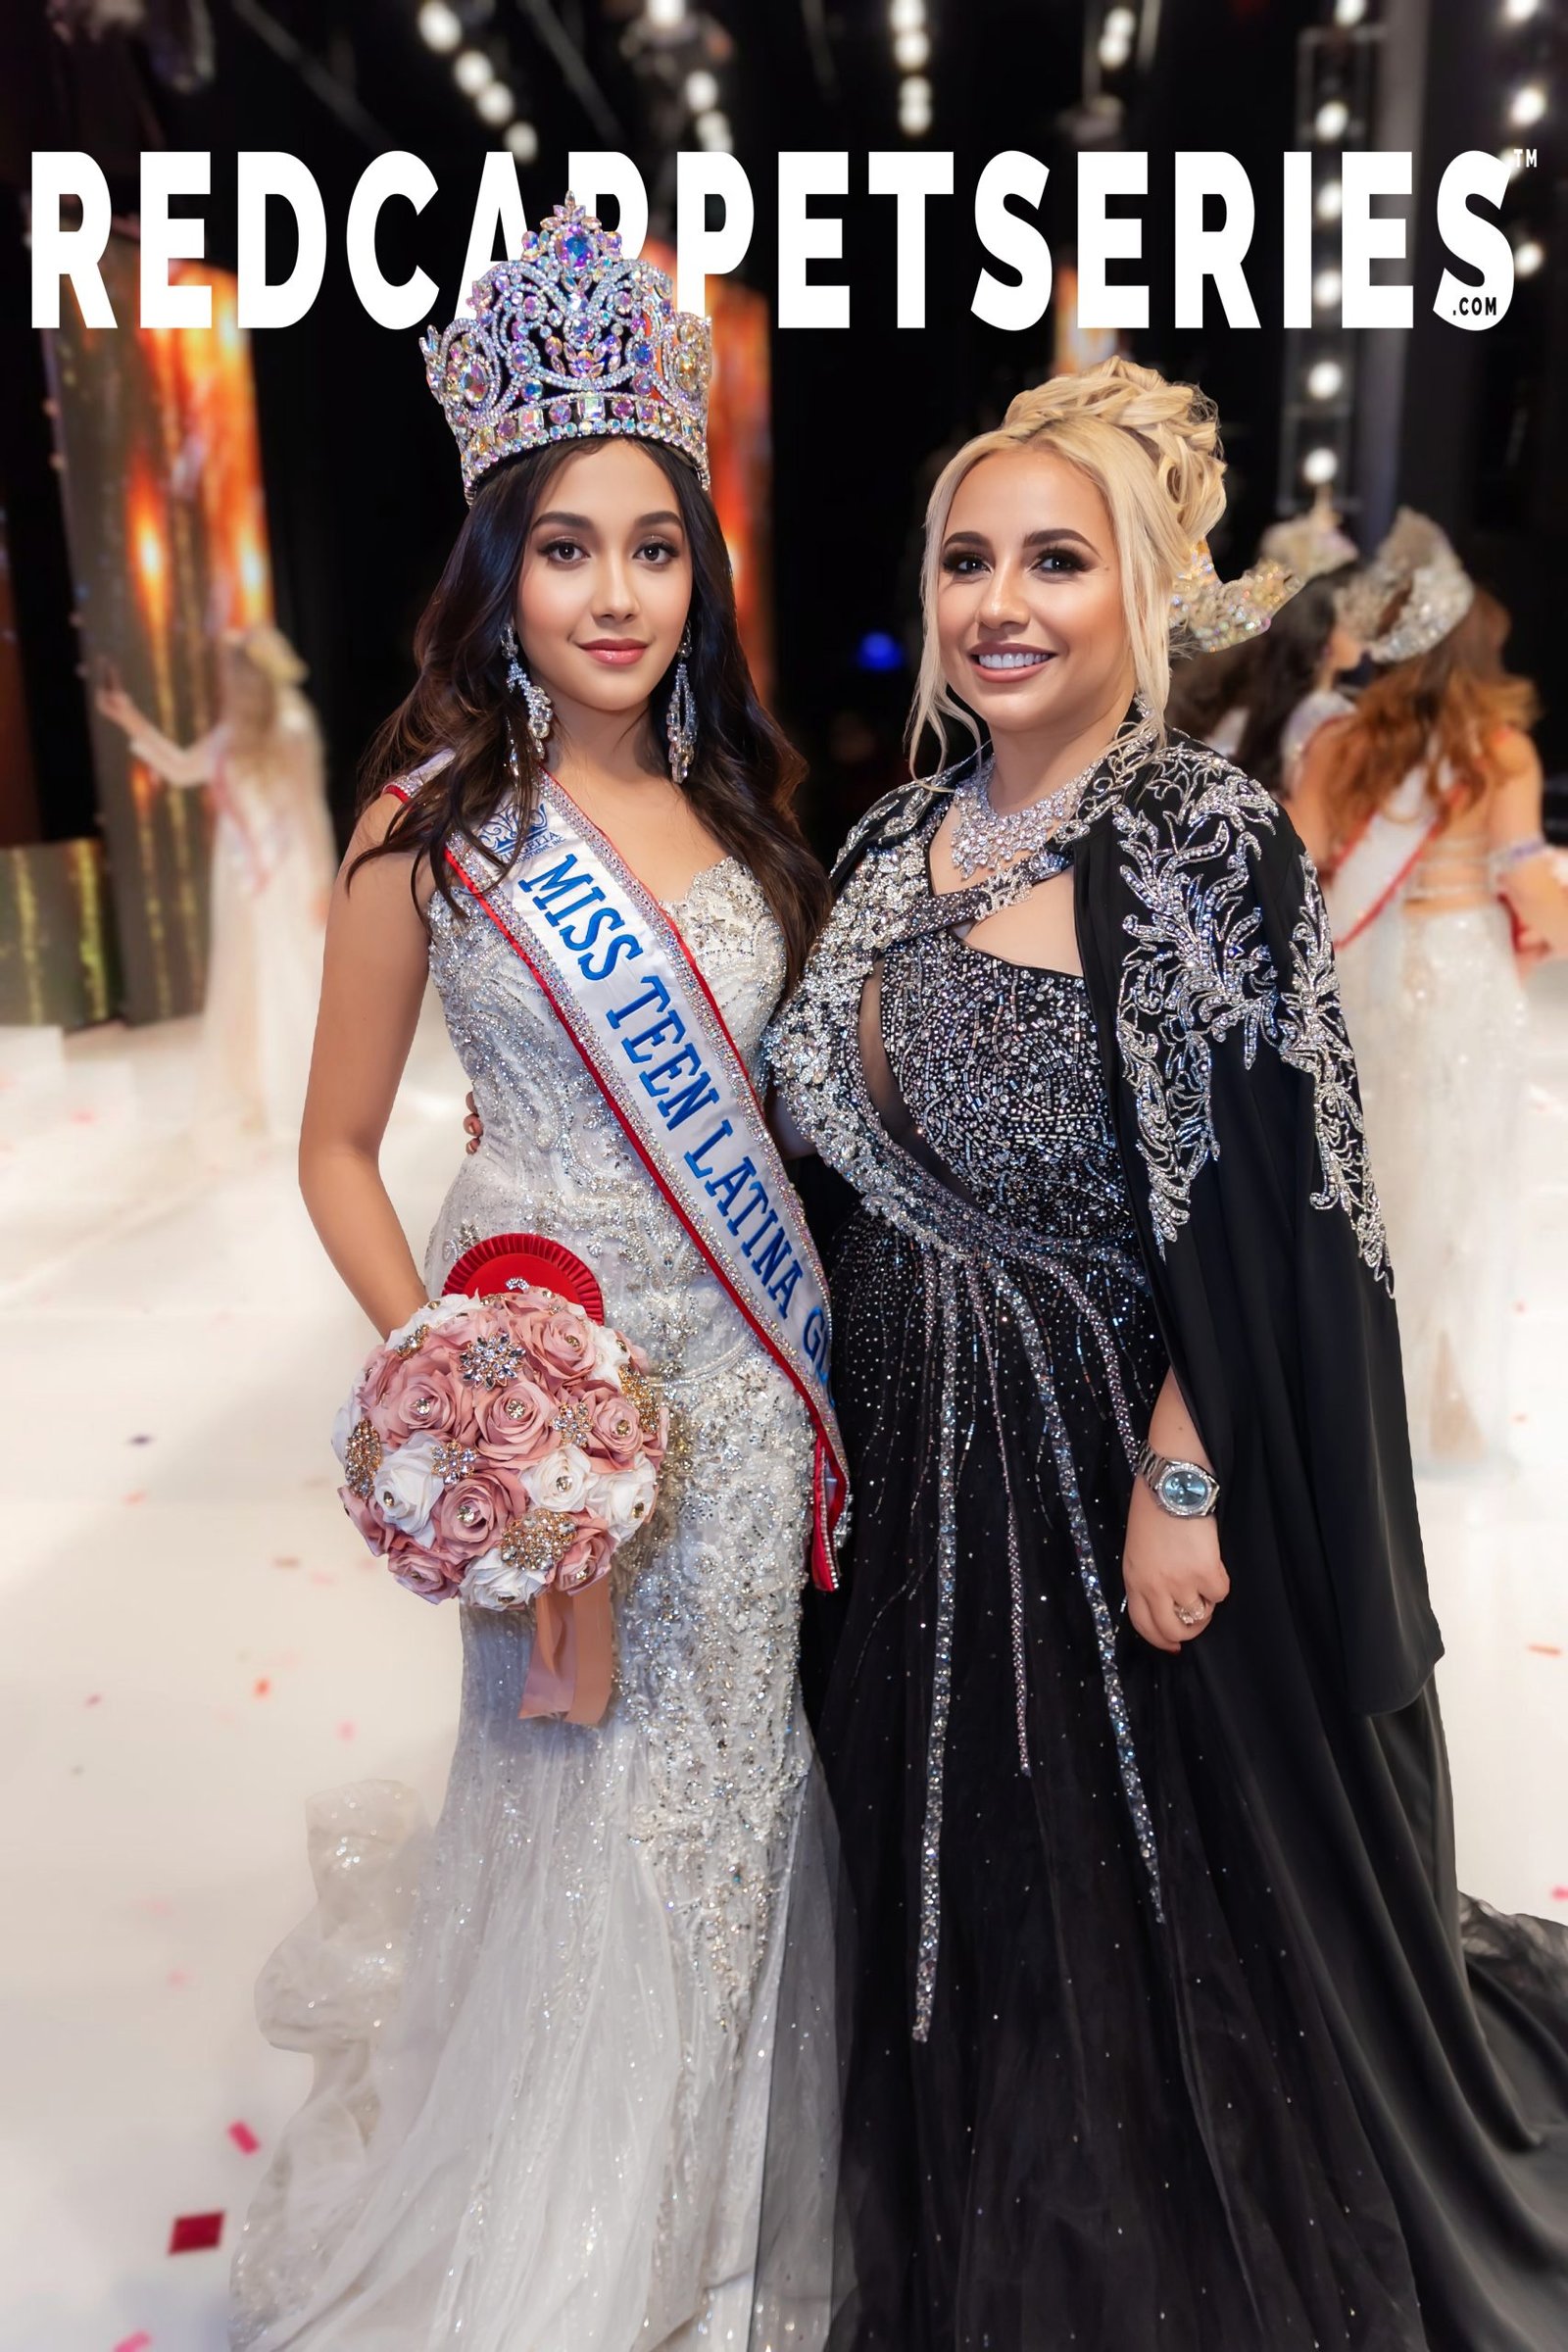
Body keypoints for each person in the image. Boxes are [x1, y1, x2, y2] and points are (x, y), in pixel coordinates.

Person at [766, 359, 1568, 2349]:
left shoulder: (1198, 834)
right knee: (951, 1896)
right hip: (908, 1461)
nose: (1000, 603)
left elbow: (1280, 1196)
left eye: (1055, 561)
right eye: (967, 561)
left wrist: (1184, 1472)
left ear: (1138, 593)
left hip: (1094, 1466)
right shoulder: (891, 838)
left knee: (1123, 1915)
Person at [229, 203, 841, 2352]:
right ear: (502, 568)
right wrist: (457, 1378)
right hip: (555, 1411)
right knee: (570, 1799)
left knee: (732, 1799)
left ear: (698, 570)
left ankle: (711, 2204)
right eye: (567, 547)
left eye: (654, 548)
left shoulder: (749, 814)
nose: (615, 592)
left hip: (741, 1402)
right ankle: (563, 2230)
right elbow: (334, 1143)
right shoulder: (430, 834)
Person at [1292, 514, 1568, 1467]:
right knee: (1457, 1191)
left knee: (1369, 1187)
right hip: (1459, 982)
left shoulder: (1336, 745)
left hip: (1362, 982)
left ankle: (1352, 1392)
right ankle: (1441, 1400)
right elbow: (1526, 881)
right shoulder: (1499, 752)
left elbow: (1300, 876)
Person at [97, 623, 336, 1143]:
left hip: (285, 871)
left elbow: (308, 809)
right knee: (246, 977)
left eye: (231, 673)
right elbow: (183, 769)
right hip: (238, 874)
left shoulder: (291, 727)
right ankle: (260, 1088)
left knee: (290, 974)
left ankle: (306, 1092)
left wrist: (323, 880)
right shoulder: (232, 735)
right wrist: (130, 718)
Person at [1166, 490, 1363, 796]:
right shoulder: (1324, 719)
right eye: (1352, 607)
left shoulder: (1226, 690)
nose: (1364, 622)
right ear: (1318, 619)